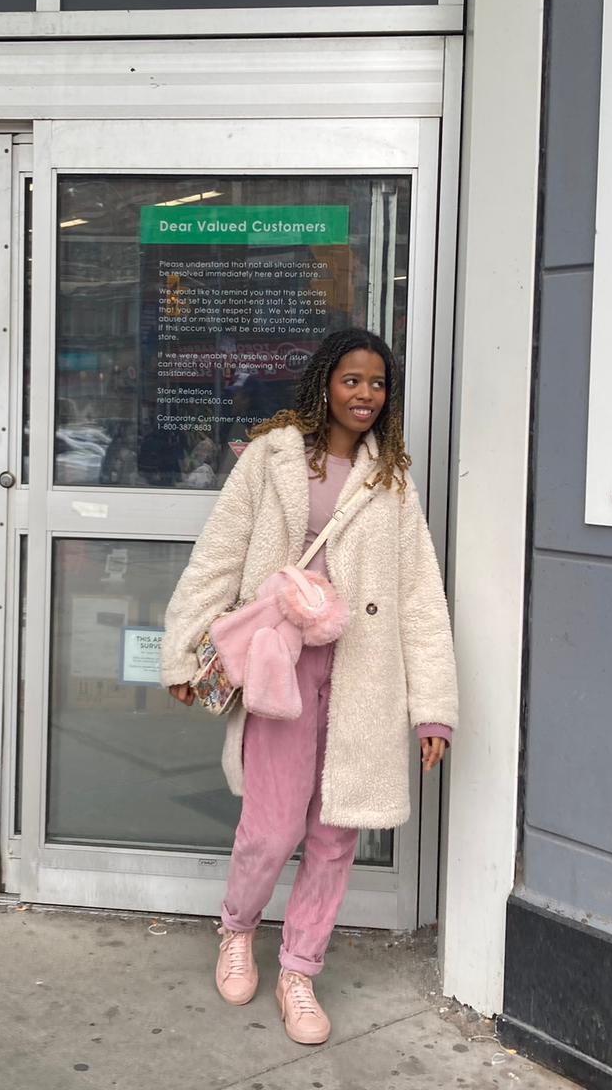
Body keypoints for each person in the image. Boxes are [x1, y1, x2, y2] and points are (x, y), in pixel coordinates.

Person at [160, 327, 457, 1045]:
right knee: (271, 828)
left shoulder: (391, 479)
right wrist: (184, 653)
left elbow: (419, 594)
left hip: (365, 673)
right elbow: (219, 554)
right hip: (278, 667)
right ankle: (237, 930)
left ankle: (300, 968)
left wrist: (433, 711)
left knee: (333, 835)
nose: (365, 395)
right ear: (326, 381)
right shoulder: (273, 457)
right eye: (353, 380)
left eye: (378, 384)